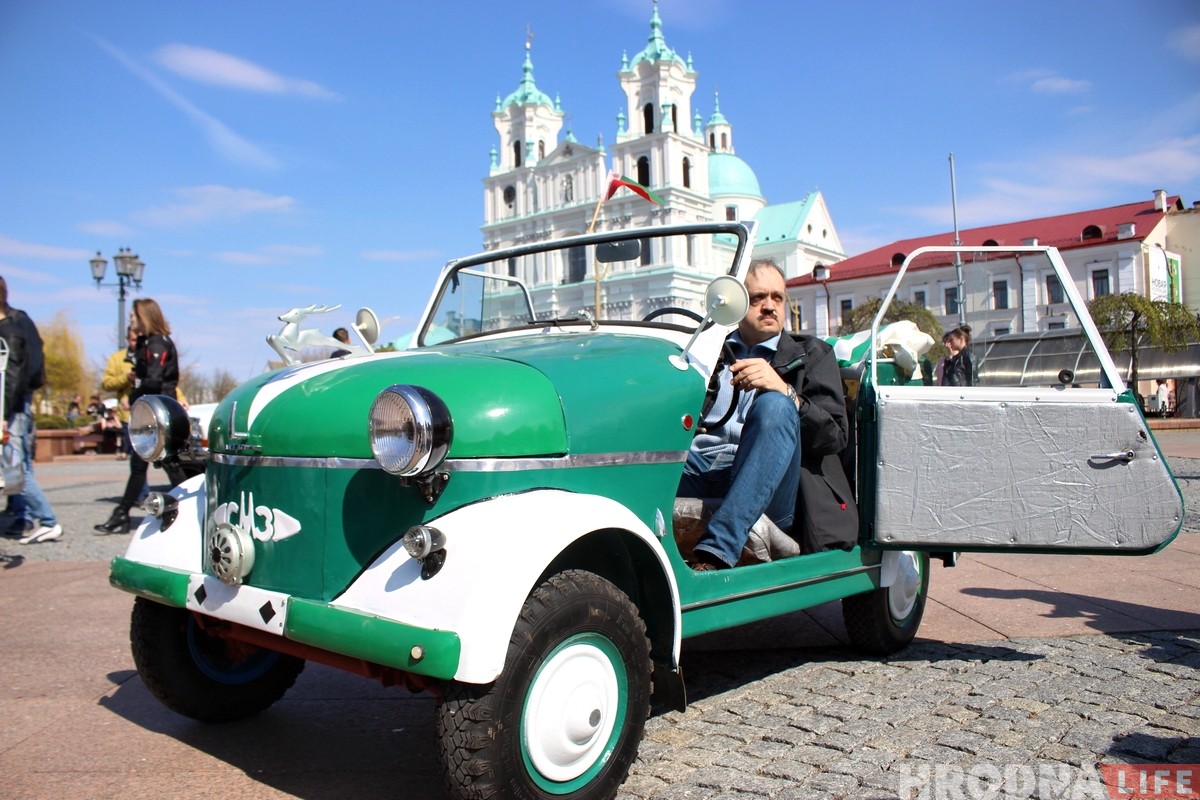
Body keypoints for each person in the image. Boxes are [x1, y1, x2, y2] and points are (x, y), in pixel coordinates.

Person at [678, 259, 857, 570]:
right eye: (758, 298)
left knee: (775, 406)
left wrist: (785, 391)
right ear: (735, 304)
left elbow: (835, 437)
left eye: (778, 297)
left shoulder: (812, 354)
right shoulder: (705, 353)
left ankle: (717, 554)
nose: (770, 307)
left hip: (771, 486)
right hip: (699, 470)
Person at [94, 298, 179, 535]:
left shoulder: (158, 344)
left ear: (144, 317)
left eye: (133, 316)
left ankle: (122, 514)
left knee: (171, 465)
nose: (130, 320)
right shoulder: (148, 343)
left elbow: (153, 379)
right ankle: (121, 513)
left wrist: (135, 393)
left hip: (160, 412)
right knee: (144, 465)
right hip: (154, 411)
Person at [0, 276, 63, 544]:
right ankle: (23, 513)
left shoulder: (10, 329)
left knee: (15, 465)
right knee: (18, 463)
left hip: (10, 404)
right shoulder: (19, 321)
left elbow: (11, 374)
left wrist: (4, 414)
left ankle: (46, 519)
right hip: (17, 401)